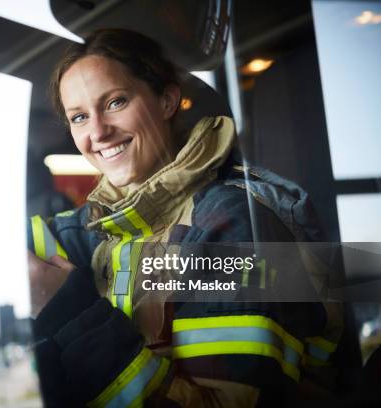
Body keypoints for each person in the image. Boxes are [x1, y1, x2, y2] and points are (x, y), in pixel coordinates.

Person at [27, 28, 352, 407]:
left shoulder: (233, 220)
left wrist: (72, 315)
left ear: (166, 100)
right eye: (79, 116)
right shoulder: (92, 227)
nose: (97, 131)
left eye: (115, 102)